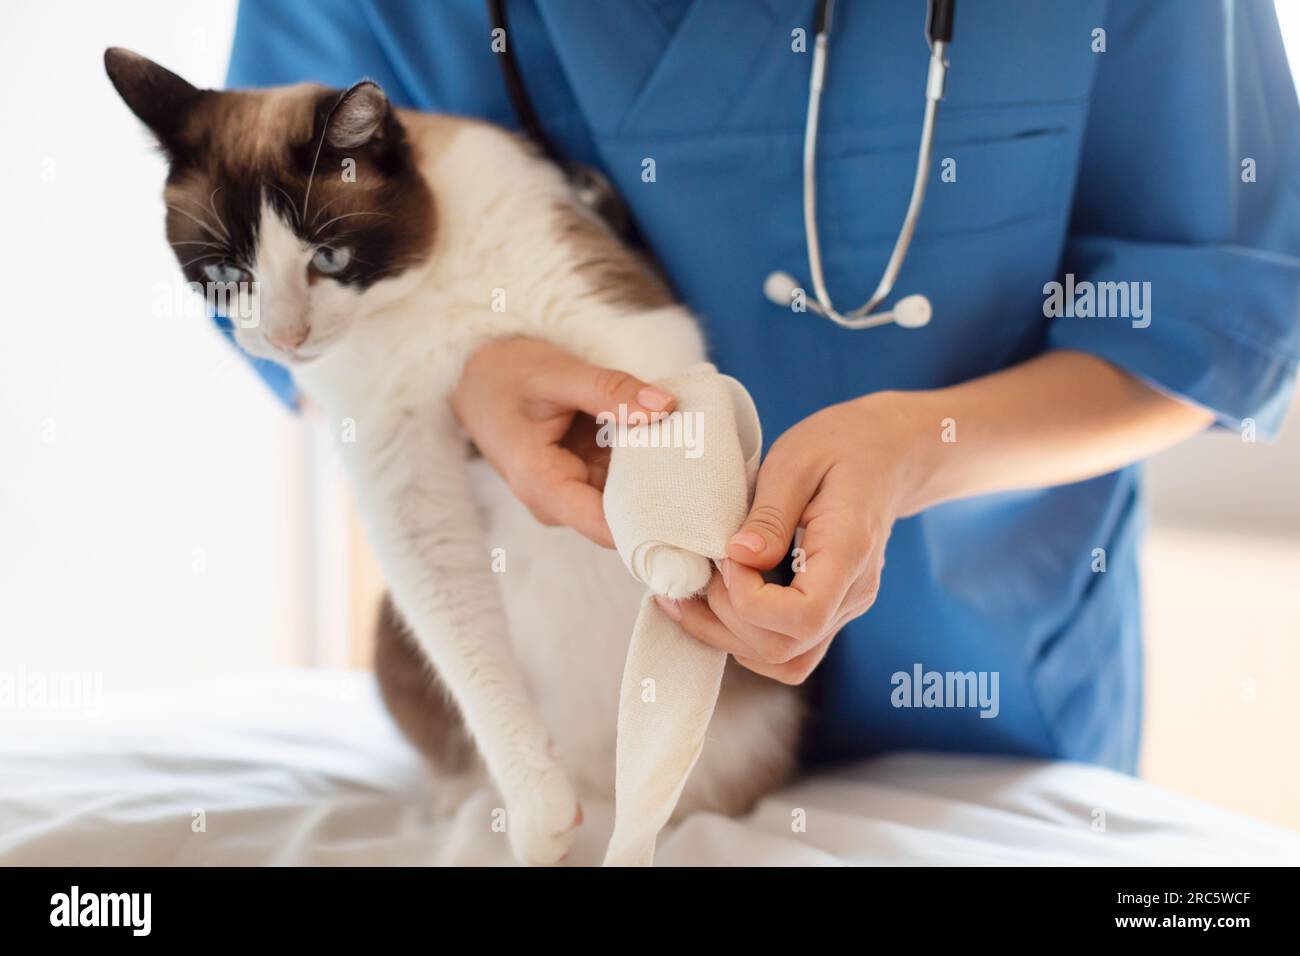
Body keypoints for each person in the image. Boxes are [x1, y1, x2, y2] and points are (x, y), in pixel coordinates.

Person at [225, 0, 1300, 773]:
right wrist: (463, 384)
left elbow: (1210, 306)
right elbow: (255, 257)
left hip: (980, 703)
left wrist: (923, 443)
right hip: (580, 697)